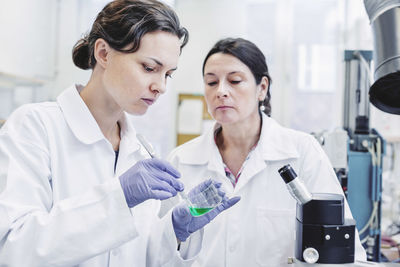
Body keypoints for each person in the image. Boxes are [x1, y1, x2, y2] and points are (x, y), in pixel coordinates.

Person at [0, 1, 239, 266]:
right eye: (149, 68)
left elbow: (137, 254)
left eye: (168, 74)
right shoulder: (35, 127)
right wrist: (118, 196)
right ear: (103, 53)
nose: (160, 86)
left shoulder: (140, 150)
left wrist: (175, 230)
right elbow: (13, 247)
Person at [167, 37, 366, 266]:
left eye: (235, 80)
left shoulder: (302, 152)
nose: (221, 91)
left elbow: (343, 252)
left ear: (262, 88)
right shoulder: (181, 160)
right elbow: (157, 249)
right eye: (211, 83)